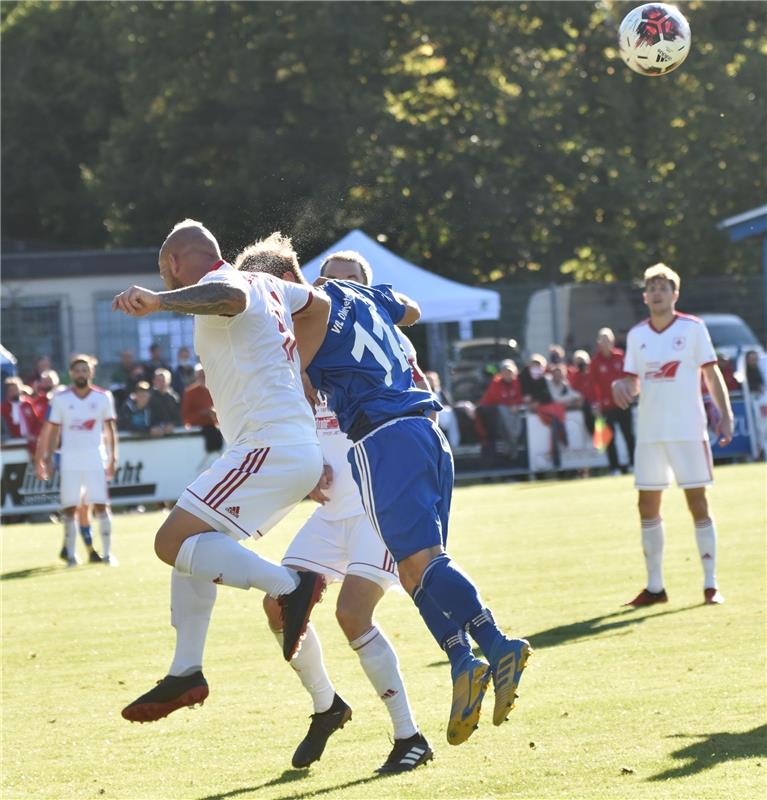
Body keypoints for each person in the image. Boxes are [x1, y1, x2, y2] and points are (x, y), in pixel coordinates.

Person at [249, 235, 532, 749]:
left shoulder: (309, 323)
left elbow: (296, 383)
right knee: (416, 564)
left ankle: (494, 643)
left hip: (383, 444)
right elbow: (414, 310)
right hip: (418, 435)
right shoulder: (371, 302)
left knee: (419, 566)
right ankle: (464, 662)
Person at [111, 219, 330, 723]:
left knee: (170, 543)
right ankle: (186, 668)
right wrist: (302, 369)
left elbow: (228, 293)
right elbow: (319, 309)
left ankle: (291, 586)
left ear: (171, 263)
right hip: (285, 447)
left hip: (268, 448)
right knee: (194, 546)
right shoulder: (273, 285)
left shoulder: (235, 283)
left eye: (164, 276)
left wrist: (162, 302)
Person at [237, 242, 432, 773]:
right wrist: (305, 472)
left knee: (352, 615)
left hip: (378, 509)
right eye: (327, 279)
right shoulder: (309, 347)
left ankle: (409, 736)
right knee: (278, 606)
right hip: (331, 514)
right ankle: (327, 706)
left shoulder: (388, 348)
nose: (334, 288)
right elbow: (295, 416)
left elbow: (422, 411)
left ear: (367, 291)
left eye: (349, 280)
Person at [612, 263, 733, 607]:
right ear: (645, 295)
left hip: (688, 430)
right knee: (646, 506)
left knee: (698, 503)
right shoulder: (637, 335)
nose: (658, 292)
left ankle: (710, 584)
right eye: (652, 287)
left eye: (664, 286)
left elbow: (711, 375)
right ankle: (655, 587)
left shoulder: (693, 329)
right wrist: (622, 385)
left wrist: (726, 415)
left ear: (675, 294)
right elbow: (633, 381)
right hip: (650, 435)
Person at [34, 354, 118, 567]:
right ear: (71, 373)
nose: (81, 374)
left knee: (100, 504)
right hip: (70, 458)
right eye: (77, 370)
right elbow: (52, 430)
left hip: (95, 458)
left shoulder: (103, 397)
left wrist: (113, 456)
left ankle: (107, 554)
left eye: (85, 370)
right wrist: (49, 457)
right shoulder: (61, 399)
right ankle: (71, 556)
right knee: (70, 507)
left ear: (91, 372)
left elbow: (110, 429)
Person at [590, 327, 635, 475]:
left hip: (623, 402)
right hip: (605, 406)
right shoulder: (595, 361)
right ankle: (614, 468)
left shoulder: (620, 357)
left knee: (628, 434)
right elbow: (593, 384)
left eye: (608, 340)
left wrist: (630, 394)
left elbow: (628, 378)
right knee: (608, 438)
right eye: (602, 340)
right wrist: (595, 404)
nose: (605, 343)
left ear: (613, 341)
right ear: (598, 342)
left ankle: (633, 464)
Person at [475, 359, 524, 462]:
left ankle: (512, 448)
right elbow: (497, 398)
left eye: (509, 371)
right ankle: (509, 449)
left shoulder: (518, 382)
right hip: (492, 417)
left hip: (510, 415)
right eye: (505, 371)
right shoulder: (496, 382)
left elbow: (520, 397)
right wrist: (511, 405)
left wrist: (515, 405)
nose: (507, 374)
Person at [426, 370, 461, 451]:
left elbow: (449, 404)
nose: (430, 382)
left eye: (432, 379)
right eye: (428, 379)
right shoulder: (424, 391)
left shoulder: (441, 391)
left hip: (444, 413)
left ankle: (454, 444)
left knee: (451, 414)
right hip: (431, 412)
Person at [149, 368, 182, 432]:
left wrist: (173, 425)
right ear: (154, 381)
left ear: (169, 381)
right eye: (158, 380)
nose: (161, 383)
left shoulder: (174, 398)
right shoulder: (149, 397)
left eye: (163, 380)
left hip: (172, 433)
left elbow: (179, 418)